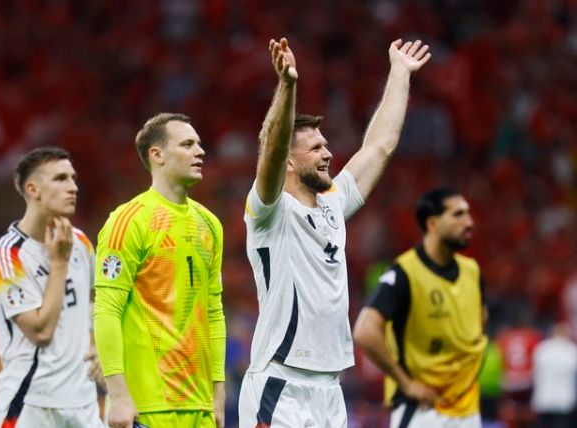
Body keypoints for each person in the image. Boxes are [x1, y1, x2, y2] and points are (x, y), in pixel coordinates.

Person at [238, 37, 431, 427]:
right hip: (281, 383)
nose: (329, 153)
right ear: (289, 162)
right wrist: (287, 87)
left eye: (326, 145)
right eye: (316, 148)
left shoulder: (332, 204)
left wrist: (399, 74)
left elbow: (379, 147)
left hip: (330, 389)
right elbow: (271, 150)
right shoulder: (268, 212)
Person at [93, 113, 226, 428]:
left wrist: (218, 394)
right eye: (188, 144)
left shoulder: (210, 225)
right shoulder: (129, 220)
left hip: (201, 408)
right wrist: (119, 396)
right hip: (147, 408)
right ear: (158, 155)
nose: (200, 151)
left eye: (200, 144)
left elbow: (214, 313)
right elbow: (106, 310)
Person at [0, 146, 104, 428]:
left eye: (74, 178)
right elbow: (40, 331)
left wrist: (99, 343)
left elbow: (97, 299)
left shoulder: (82, 242)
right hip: (31, 405)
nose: (73, 187)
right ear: (33, 189)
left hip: (83, 402)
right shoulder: (5, 256)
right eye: (61, 179)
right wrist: (58, 264)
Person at [353, 188, 488, 428]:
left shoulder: (472, 271)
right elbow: (365, 331)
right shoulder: (404, 273)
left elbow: (479, 320)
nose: (469, 222)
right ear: (433, 224)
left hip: (467, 411)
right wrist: (405, 383)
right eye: (458, 215)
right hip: (424, 412)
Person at [531, 322, 577, 428]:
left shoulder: (542, 349)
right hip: (564, 401)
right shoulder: (571, 350)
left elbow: (535, 373)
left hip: (543, 399)